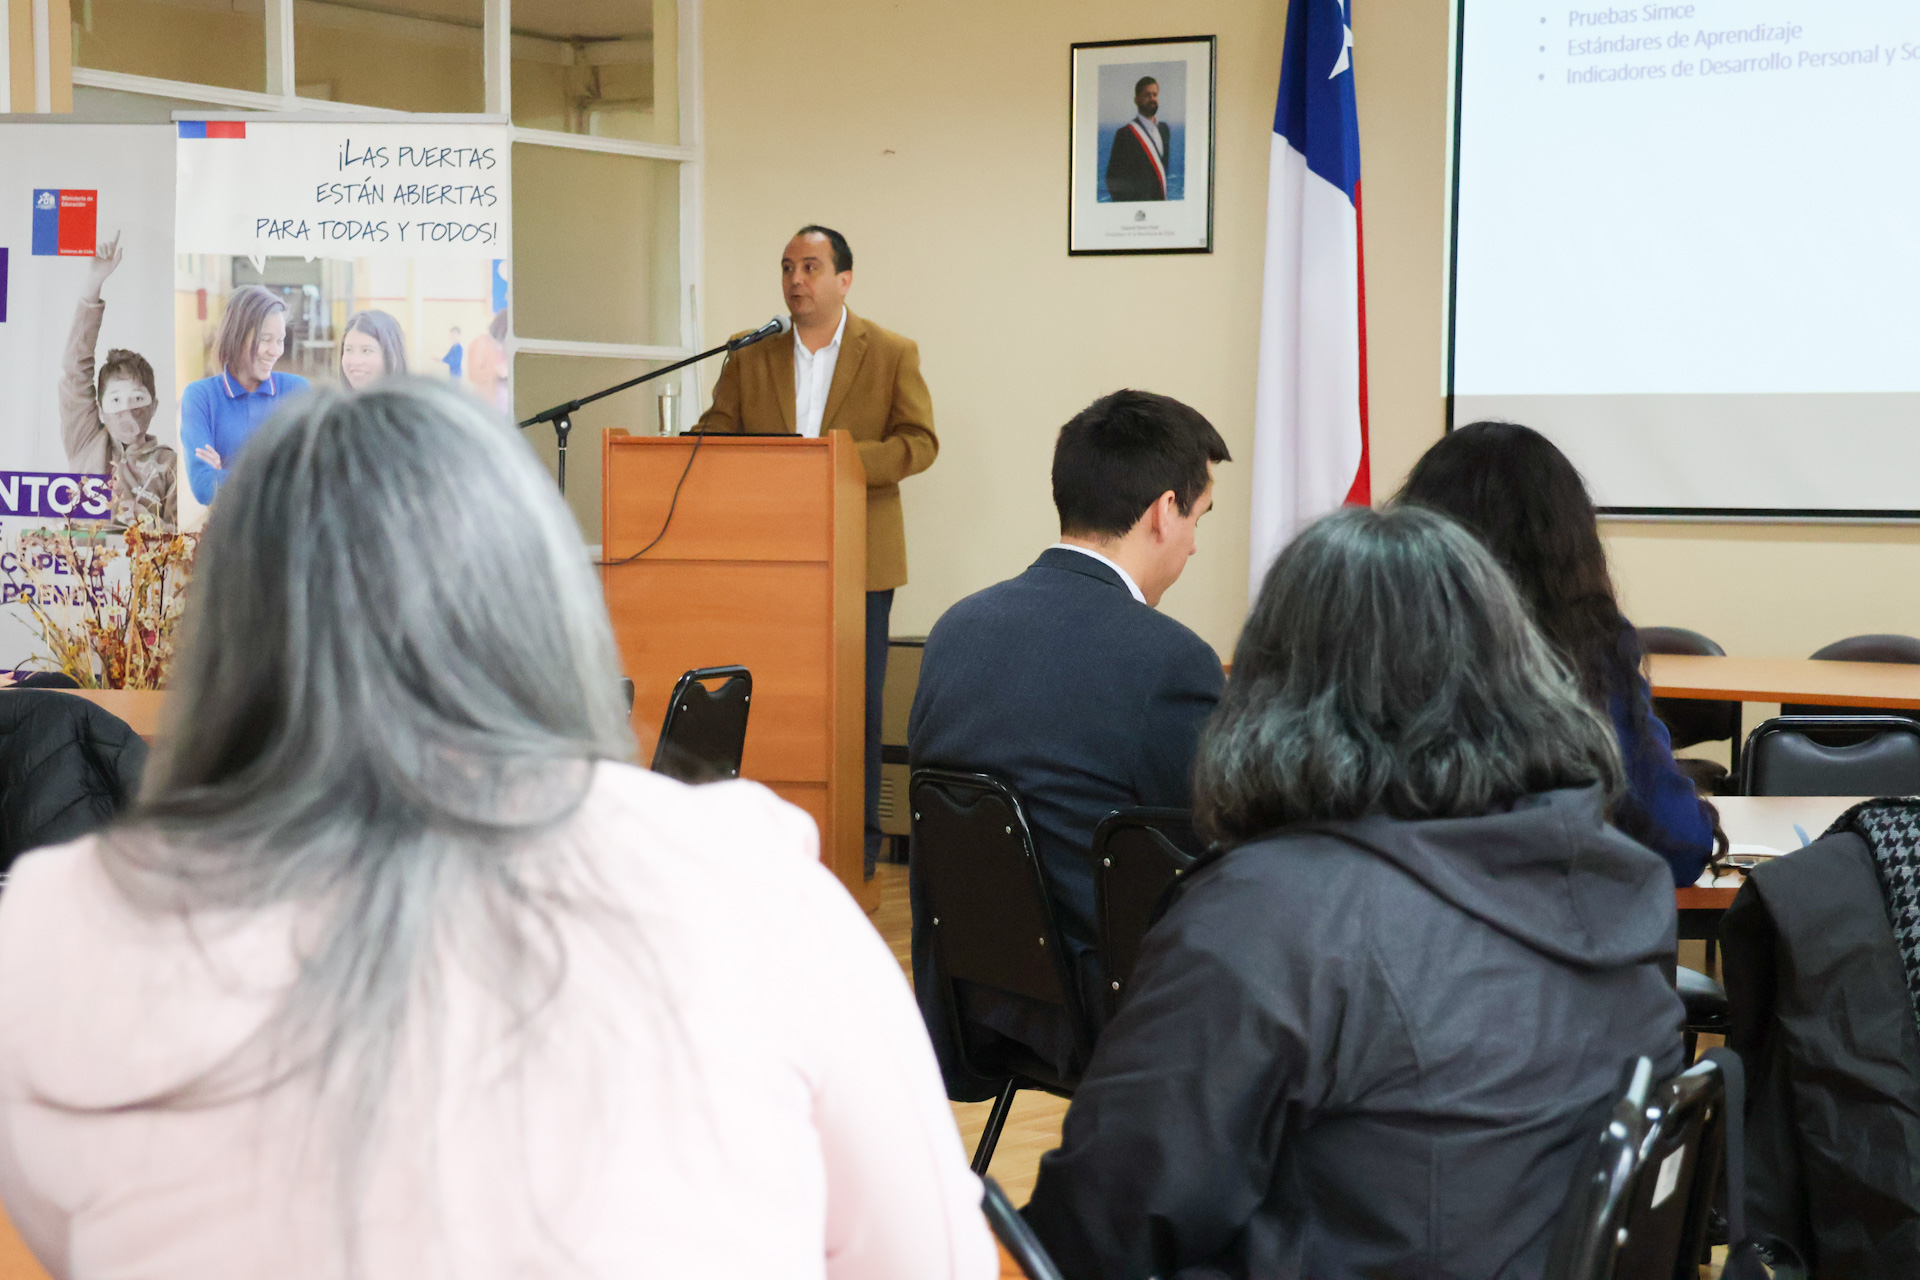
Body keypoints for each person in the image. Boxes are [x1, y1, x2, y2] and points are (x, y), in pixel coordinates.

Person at [0, 379, 995, 1280]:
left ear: (226, 630)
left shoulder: (57, 925)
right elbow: (934, 1257)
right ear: (545, 603)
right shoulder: (751, 885)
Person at [1023, 504, 1687, 1280]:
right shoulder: (1624, 880)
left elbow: (1099, 1231)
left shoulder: (1268, 916)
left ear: (1278, 687)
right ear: (1514, 671)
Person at [907, 389, 1228, 1097]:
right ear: (1162, 511)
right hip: (1114, 1014)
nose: (1197, 544)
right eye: (1200, 517)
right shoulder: (1169, 661)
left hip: (977, 1002)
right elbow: (1221, 853)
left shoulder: (957, 630)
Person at [696, 224, 938, 879]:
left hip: (859, 560)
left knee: (853, 705)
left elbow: (919, 441)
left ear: (843, 279)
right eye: (786, 268)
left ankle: (855, 846)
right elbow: (717, 433)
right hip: (769, 556)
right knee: (773, 699)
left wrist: (837, 463)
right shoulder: (751, 354)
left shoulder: (889, 351)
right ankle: (768, 837)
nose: (795, 280)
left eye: (809, 267)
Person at [1397, 421, 1716, 887]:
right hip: (1547, 949)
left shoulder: (1372, 651)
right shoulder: (1589, 655)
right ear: (1567, 541)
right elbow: (1679, 845)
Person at [59, 233, 177, 530]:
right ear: (99, 410)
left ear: (155, 405)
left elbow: (184, 538)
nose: (127, 410)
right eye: (115, 400)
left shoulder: (170, 465)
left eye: (138, 398)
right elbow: (76, 367)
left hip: (141, 573)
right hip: (82, 570)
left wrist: (148, 522)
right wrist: (93, 284)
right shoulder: (86, 440)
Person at [179, 284, 309, 505]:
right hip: (227, 537)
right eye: (266, 339)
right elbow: (204, 486)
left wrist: (227, 472)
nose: (276, 351)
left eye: (279, 340)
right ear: (237, 336)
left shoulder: (297, 390)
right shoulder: (200, 397)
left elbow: (308, 481)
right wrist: (277, 477)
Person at [1104, 75, 1172, 202]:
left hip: (1160, 209)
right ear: (1136, 100)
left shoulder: (1164, 130)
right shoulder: (1125, 134)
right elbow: (1112, 179)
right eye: (1147, 95)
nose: (1152, 99)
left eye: (1154, 95)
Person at [338, 309, 408, 390]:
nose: (355, 361)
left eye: (366, 351)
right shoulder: (334, 401)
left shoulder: (412, 401)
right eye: (348, 350)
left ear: (390, 354)